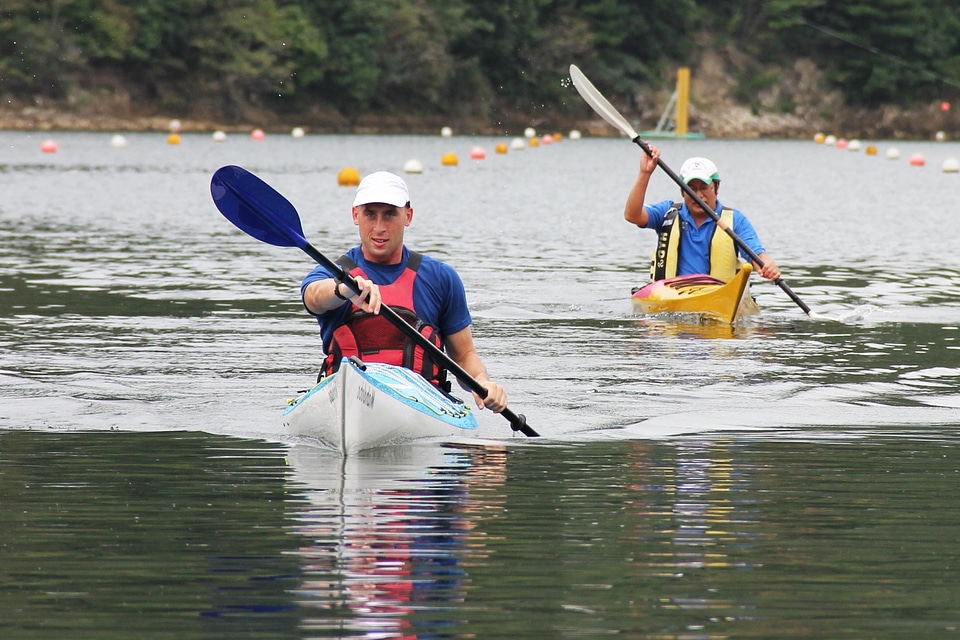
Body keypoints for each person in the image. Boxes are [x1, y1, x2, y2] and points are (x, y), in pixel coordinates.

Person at [300, 170, 508, 413]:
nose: (379, 227)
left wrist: (482, 382)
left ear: (408, 216)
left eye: (389, 214)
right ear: (355, 215)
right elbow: (313, 298)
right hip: (344, 401)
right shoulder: (332, 274)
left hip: (422, 406)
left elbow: (463, 356)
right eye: (370, 214)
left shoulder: (441, 278)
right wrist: (344, 288)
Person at [623, 144, 781, 282]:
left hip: (718, 296)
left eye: (704, 188)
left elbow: (757, 255)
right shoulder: (667, 212)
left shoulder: (735, 220)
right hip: (671, 294)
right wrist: (645, 173)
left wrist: (767, 264)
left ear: (716, 188)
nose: (698, 195)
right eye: (691, 189)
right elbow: (632, 215)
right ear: (682, 191)